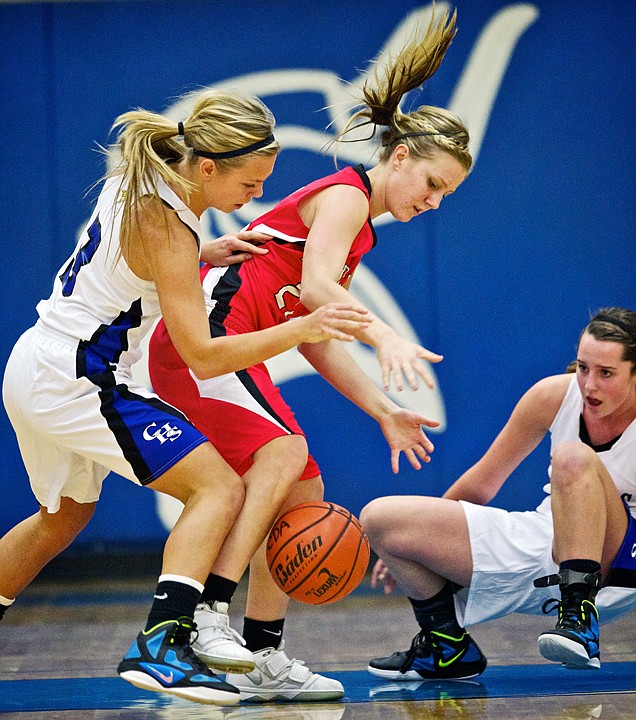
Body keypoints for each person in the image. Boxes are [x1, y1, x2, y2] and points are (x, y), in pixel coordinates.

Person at [0, 89, 370, 707]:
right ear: (206, 168)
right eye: (250, 183)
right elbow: (202, 355)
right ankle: (162, 643)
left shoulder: (140, 182)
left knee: (60, 519)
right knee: (219, 488)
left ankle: (174, 635)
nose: (255, 196)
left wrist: (203, 251)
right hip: (81, 375)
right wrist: (299, 328)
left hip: (37, 362)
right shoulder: (169, 227)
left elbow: (133, 254)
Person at [148, 8, 472, 703]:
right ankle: (209, 611)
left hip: (242, 348)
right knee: (286, 451)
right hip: (206, 339)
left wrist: (386, 410)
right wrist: (384, 336)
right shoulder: (346, 200)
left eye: (448, 194)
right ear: (400, 158)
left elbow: (317, 332)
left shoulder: (358, 226)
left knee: (303, 489)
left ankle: (263, 656)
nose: (434, 201)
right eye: (433, 184)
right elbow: (321, 287)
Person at [360, 307, 636, 681]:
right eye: (583, 367)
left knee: (572, 457)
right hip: (548, 534)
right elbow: (481, 483)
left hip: (617, 562)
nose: (588, 385)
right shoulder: (552, 395)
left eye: (606, 373)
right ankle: (446, 645)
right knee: (381, 519)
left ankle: (580, 620)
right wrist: (408, 547)